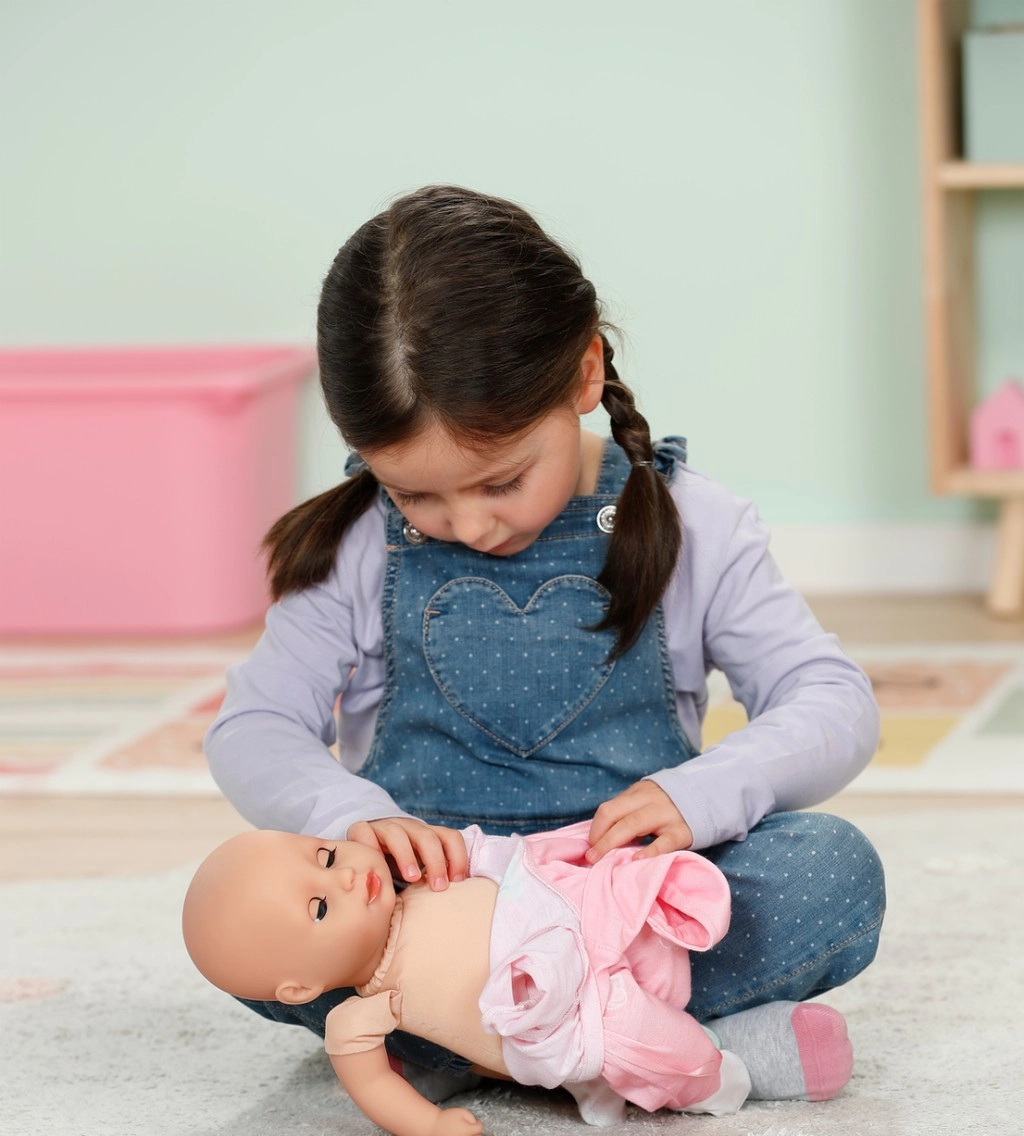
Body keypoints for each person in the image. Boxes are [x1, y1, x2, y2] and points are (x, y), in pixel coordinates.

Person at [204, 184, 886, 1090]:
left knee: (834, 870)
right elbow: (253, 727)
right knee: (241, 917)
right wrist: (348, 818)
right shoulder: (358, 543)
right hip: (426, 925)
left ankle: (456, 1042)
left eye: (500, 480)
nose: (468, 525)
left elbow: (832, 699)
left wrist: (705, 792)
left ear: (584, 374)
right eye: (415, 493)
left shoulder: (696, 524)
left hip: (627, 911)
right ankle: (631, 1041)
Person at [182, 826, 855, 1136]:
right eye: (321, 907)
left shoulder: (418, 873)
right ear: (301, 986)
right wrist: (430, 1129)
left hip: (582, 911)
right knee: (664, 1051)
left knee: (794, 867)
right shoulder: (361, 1013)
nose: (346, 877)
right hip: (574, 1015)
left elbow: (500, 857)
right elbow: (374, 1088)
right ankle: (721, 1065)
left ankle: (683, 942)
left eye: (327, 856)